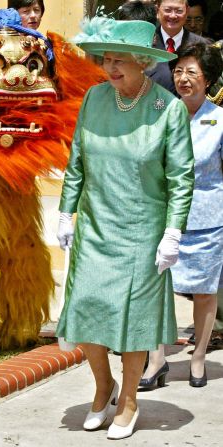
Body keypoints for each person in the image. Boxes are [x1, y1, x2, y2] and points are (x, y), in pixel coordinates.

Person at [56, 18, 194, 440]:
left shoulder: (167, 109)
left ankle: (129, 399)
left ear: (142, 62)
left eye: (119, 61)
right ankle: (103, 387)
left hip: (143, 232)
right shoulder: (95, 98)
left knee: (133, 321)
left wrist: (173, 232)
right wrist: (66, 212)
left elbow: (181, 177)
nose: (109, 68)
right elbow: (77, 158)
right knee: (88, 310)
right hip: (96, 227)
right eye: (106, 59)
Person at [140, 42, 223, 389]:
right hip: (163, 217)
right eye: (179, 71)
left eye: (192, 72)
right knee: (156, 289)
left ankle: (199, 357)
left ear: (208, 80)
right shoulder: (160, 112)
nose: (183, 79)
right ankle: (156, 359)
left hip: (206, 219)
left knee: (205, 293)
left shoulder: (219, 119)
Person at [149, 0, 207, 93]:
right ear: (157, 11)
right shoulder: (145, 43)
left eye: (179, 11)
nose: (172, 16)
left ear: (187, 11)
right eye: (168, 10)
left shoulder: (203, 46)